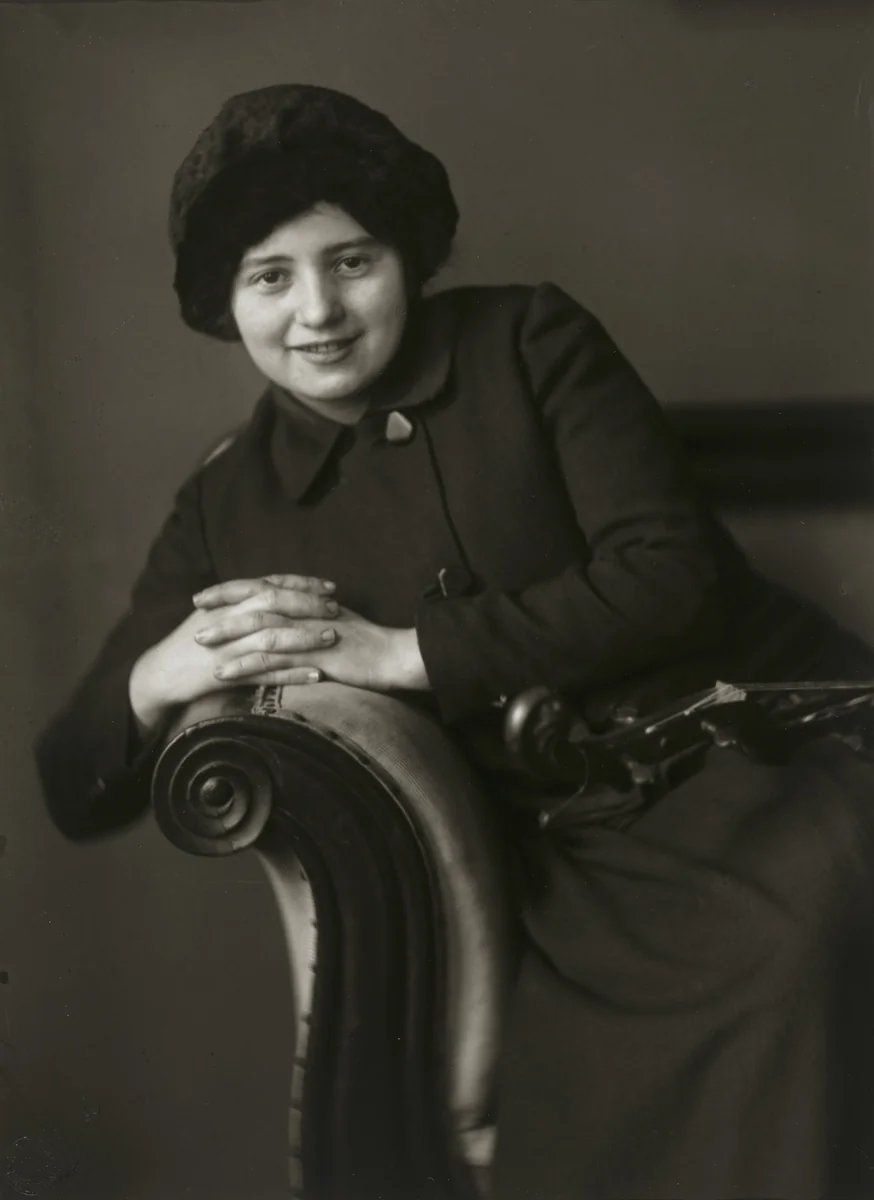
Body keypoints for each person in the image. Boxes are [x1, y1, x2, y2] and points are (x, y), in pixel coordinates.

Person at [36, 84, 874, 1198]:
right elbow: (71, 786)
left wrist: (403, 655)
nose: (318, 311)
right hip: (563, 858)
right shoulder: (226, 504)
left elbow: (675, 577)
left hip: (756, 755)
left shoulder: (530, 338)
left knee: (801, 938)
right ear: (222, 304)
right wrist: (157, 677)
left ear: (409, 261)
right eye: (269, 277)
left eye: (353, 260)